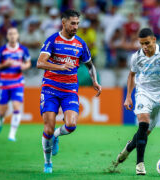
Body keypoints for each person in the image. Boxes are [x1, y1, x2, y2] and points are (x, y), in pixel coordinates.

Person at [36, 9, 102, 173]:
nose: (76, 26)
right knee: (48, 129)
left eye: (77, 23)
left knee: (71, 125)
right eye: (73, 23)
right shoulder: (53, 40)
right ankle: (48, 162)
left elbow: (89, 64)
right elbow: (40, 62)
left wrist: (94, 81)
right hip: (50, 88)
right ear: (63, 22)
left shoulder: (80, 44)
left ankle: (57, 136)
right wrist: (60, 66)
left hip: (70, 90)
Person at [114, 28, 160, 175]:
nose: (144, 47)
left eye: (147, 43)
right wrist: (128, 96)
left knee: (144, 133)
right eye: (141, 44)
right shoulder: (137, 56)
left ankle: (128, 148)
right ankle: (140, 164)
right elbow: (131, 75)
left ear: (154, 40)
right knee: (143, 120)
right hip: (143, 93)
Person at [0, 27, 31, 141]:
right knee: (2, 110)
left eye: (14, 33)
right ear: (7, 36)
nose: (12, 36)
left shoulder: (23, 49)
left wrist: (25, 66)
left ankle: (12, 134)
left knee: (16, 106)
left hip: (17, 82)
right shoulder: (1, 50)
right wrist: (5, 64)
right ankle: (0, 120)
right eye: (10, 34)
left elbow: (28, 62)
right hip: (4, 83)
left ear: (18, 35)